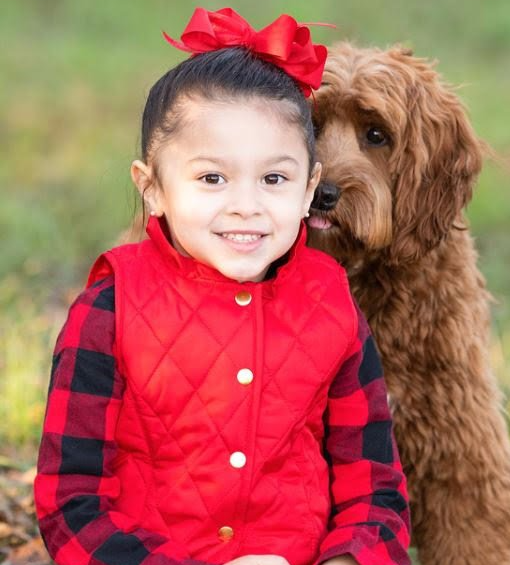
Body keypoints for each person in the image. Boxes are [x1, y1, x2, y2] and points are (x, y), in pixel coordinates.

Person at [34, 7, 411, 565]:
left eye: (274, 178)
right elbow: (70, 503)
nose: (246, 206)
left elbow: (374, 491)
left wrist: (346, 559)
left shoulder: (331, 304)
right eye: (212, 178)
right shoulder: (111, 307)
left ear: (309, 189)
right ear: (153, 188)